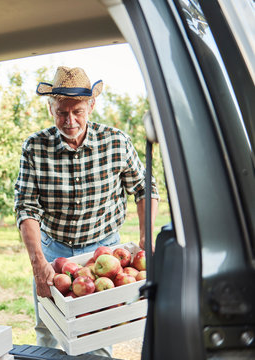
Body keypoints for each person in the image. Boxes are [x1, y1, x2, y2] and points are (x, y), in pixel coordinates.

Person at [14, 66, 159, 355]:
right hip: (53, 252)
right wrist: (37, 263)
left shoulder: (116, 142)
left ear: (91, 106)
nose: (69, 121)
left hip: (104, 251)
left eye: (77, 111)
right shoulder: (35, 147)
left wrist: (147, 237)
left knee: (98, 333)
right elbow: (26, 207)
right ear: (50, 107)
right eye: (61, 112)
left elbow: (145, 188)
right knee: (49, 330)